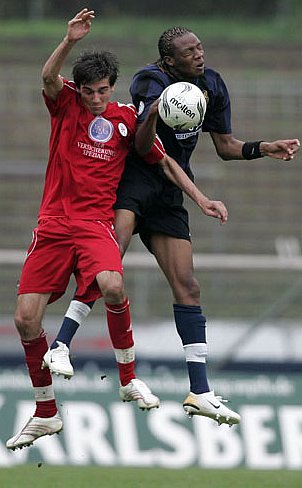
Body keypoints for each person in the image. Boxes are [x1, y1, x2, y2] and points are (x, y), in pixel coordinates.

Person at [45, 26, 300, 427]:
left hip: (169, 191)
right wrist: (155, 112)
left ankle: (200, 391)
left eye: (200, 46)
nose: (199, 54)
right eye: (189, 51)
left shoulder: (212, 84)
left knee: (188, 285)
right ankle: (61, 344)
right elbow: (145, 147)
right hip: (131, 181)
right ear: (169, 59)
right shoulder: (151, 80)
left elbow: (226, 147)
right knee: (108, 267)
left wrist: (264, 148)